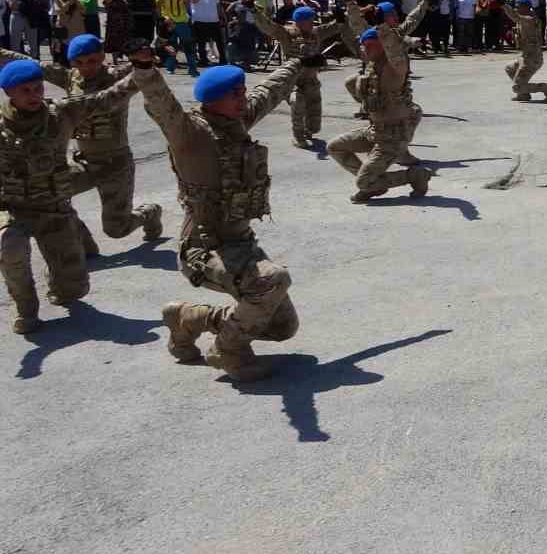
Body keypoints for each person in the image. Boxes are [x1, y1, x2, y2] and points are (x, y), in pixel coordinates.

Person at [131, 52, 317, 381]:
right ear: (213, 100)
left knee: (282, 325)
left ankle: (188, 318)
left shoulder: (237, 120)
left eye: (243, 92)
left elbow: (271, 89)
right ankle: (228, 351)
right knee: (274, 279)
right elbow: (162, 104)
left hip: (242, 244)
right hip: (204, 248)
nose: (244, 98)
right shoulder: (188, 133)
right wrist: (145, 69)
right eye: (236, 95)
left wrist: (299, 62)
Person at [0, 58, 140, 334]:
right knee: (10, 245)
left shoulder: (60, 114)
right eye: (25, 91)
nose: (34, 95)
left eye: (38, 88)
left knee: (74, 290)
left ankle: (59, 281)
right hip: (11, 207)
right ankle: (26, 307)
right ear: (9, 93)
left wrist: (142, 74)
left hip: (53, 207)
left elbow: (104, 99)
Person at [1, 33, 162, 256]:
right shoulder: (69, 77)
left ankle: (149, 213)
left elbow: (145, 72)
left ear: (102, 56)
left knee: (116, 229)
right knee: (51, 196)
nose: (86, 67)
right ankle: (84, 245)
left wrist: (147, 60)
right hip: (84, 162)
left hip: (115, 164)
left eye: (93, 61)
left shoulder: (117, 75)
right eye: (79, 62)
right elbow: (28, 64)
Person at [327, 25, 434, 203]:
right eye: (363, 45)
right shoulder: (371, 65)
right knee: (334, 147)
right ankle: (373, 183)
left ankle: (414, 176)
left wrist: (383, 29)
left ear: (382, 45)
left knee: (363, 182)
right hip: (375, 130)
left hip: (394, 137)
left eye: (369, 45)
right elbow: (353, 27)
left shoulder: (395, 68)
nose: (364, 49)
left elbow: (394, 49)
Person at [252, 0, 345, 148]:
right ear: (300, 21)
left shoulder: (316, 33)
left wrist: (340, 17)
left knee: (315, 123)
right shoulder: (287, 34)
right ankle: (298, 136)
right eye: (310, 20)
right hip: (293, 81)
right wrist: (254, 11)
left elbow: (334, 27)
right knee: (298, 103)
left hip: (311, 80)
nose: (312, 22)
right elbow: (268, 26)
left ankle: (308, 131)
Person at [505, 0, 547, 102]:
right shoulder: (525, 18)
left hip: (532, 60)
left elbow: (515, 17)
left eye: (518, 7)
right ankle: (524, 95)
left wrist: (503, 5)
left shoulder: (530, 19)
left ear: (526, 8)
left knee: (516, 87)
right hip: (525, 56)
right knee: (509, 68)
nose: (516, 9)